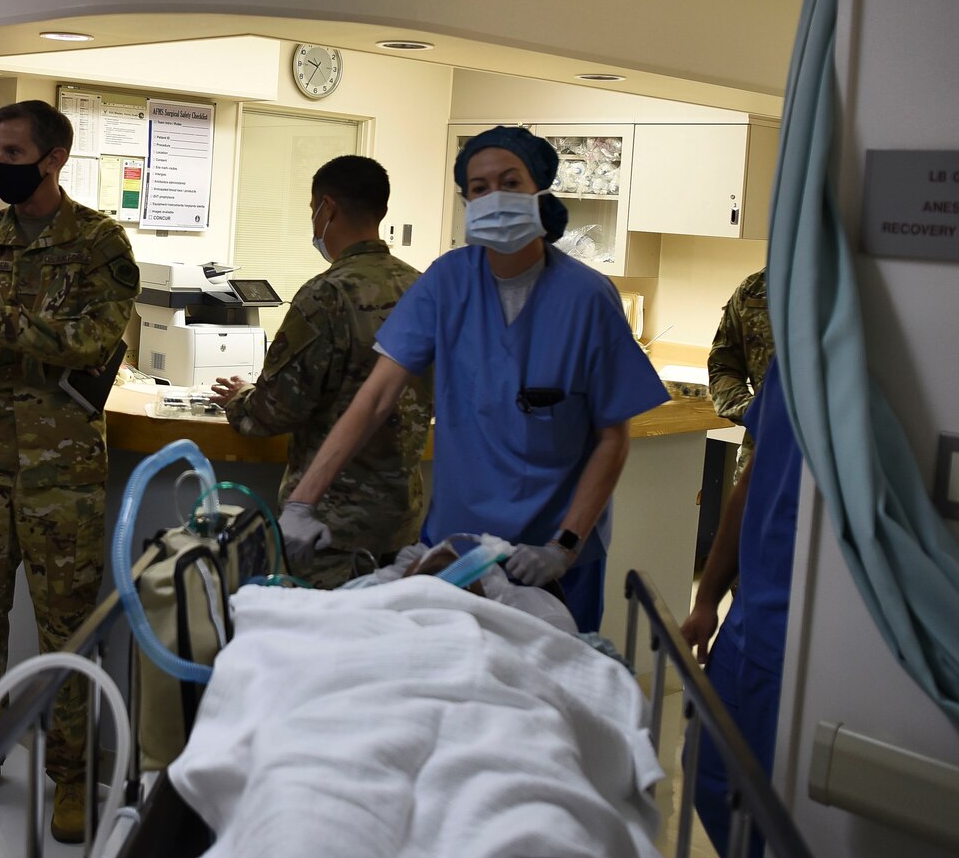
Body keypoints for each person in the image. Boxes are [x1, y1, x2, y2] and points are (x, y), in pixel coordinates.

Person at [280, 125, 668, 634]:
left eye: (510, 181)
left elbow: (612, 438)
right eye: (480, 188)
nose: (495, 197)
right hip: (457, 550)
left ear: (539, 191)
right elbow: (375, 397)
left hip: (552, 560)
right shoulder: (447, 282)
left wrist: (564, 546)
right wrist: (302, 502)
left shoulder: (588, 298)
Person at [0, 99, 140, 845]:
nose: (1, 164)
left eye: (14, 152)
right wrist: (10, 336)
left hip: (62, 473)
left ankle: (70, 776)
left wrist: (1, 325)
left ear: (54, 158)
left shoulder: (101, 245)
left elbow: (95, 339)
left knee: (65, 632)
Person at [209, 155, 433, 587]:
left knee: (322, 646)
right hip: (401, 522)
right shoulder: (421, 287)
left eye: (313, 210)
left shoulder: (326, 294)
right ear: (381, 211)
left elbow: (272, 411)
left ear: (326, 208)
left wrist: (239, 400)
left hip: (330, 525)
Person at [681, 354, 801, 858]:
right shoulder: (787, 366)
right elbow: (753, 479)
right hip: (749, 619)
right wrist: (707, 597)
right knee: (709, 773)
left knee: (793, 815)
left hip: (802, 636)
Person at [709, 267, 774, 493]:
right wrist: (752, 410)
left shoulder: (859, 285)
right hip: (763, 457)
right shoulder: (755, 291)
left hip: (836, 463)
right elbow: (723, 366)